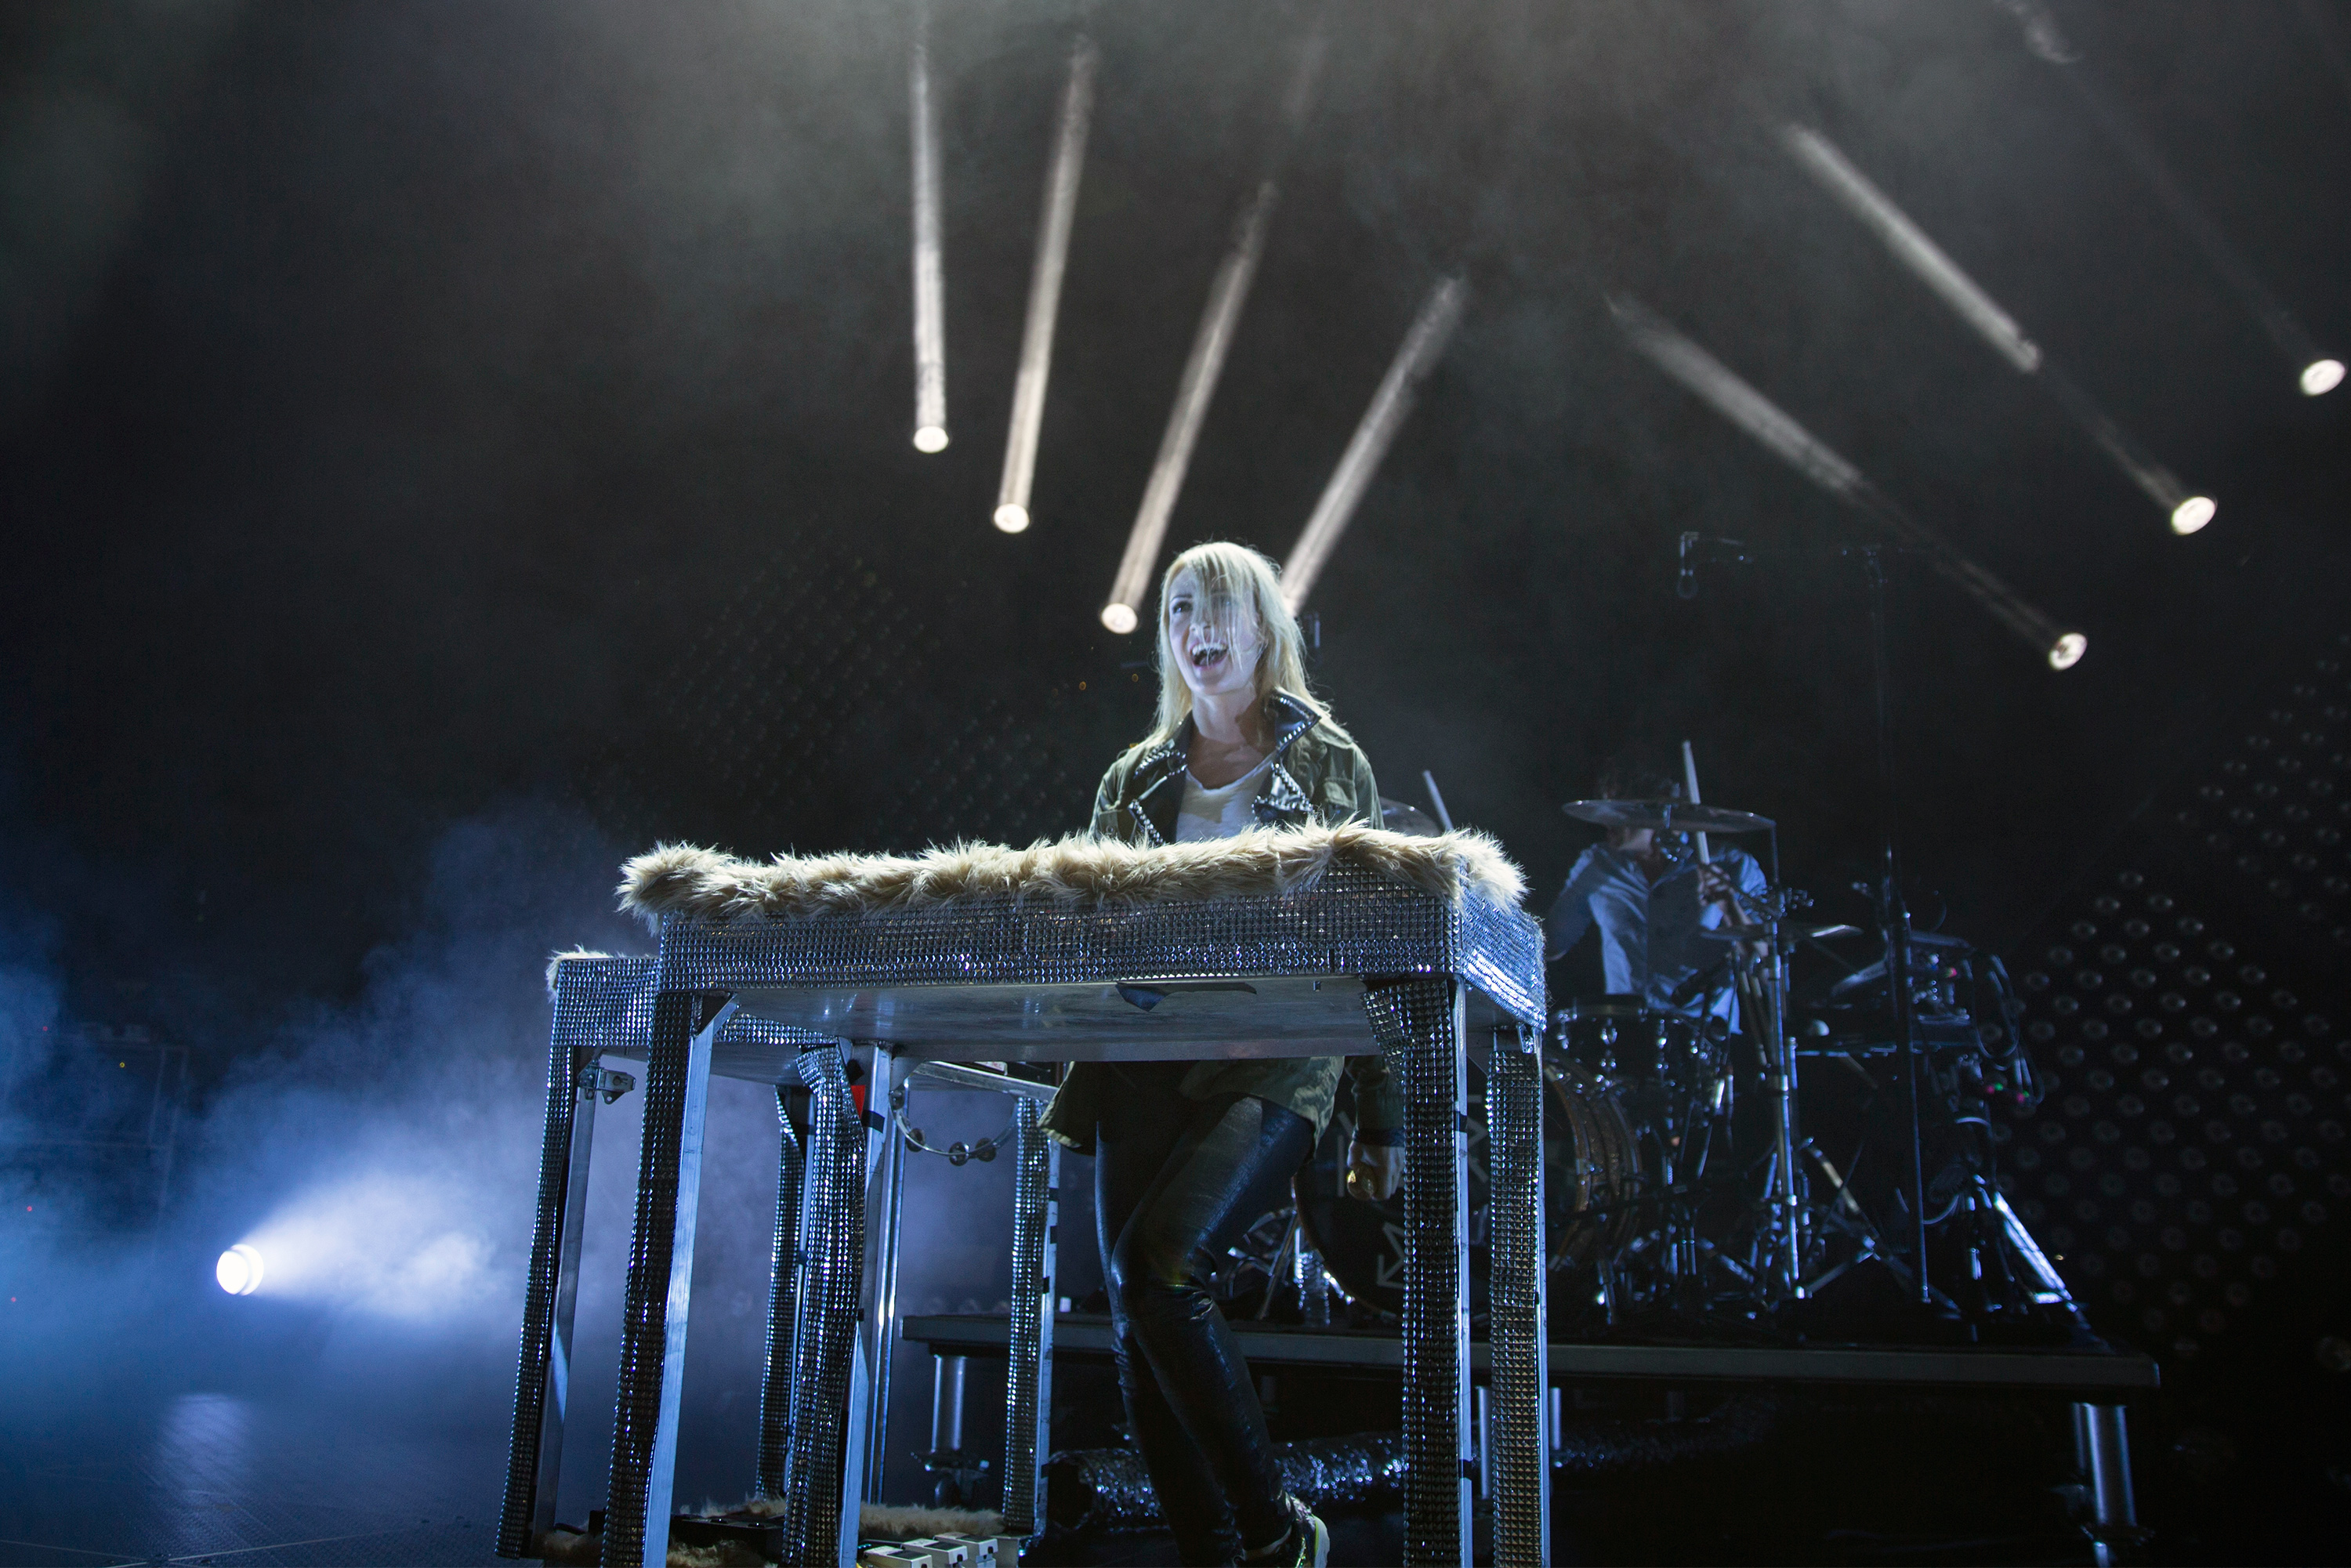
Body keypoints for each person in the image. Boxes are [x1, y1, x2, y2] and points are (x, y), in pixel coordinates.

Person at [1039, 540, 1400, 1568]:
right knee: (1135, 1324)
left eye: (1220, 606)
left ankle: (1275, 1531)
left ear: (1264, 627)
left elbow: (1377, 939)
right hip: (1141, 1057)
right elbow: (1092, 923)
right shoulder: (1134, 776)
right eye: (1180, 609)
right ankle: (1219, 1554)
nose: (1199, 627)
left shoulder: (1330, 762)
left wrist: (1383, 1116)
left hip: (1277, 1055)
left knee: (1159, 1270)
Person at [1544, 752, 1766, 1025]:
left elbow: (1765, 967)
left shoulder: (1731, 864)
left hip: (1704, 1033)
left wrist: (1730, 906)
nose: (1606, 820)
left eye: (1619, 809)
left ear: (1658, 808)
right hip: (1625, 1030)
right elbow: (1551, 946)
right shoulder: (1597, 864)